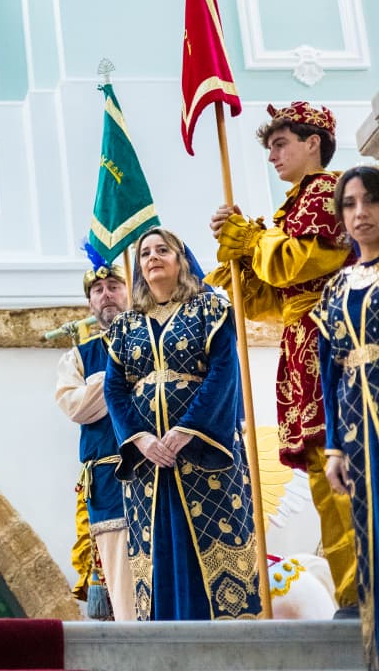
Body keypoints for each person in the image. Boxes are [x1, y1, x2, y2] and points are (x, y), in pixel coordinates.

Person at [207, 101, 356, 612]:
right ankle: (351, 598)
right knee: (323, 482)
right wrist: (241, 260)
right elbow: (273, 298)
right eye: (269, 146)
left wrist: (253, 241)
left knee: (345, 474)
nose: (272, 156)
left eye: (280, 143)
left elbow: (300, 261)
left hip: (331, 343)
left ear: (313, 143)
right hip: (300, 347)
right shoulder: (290, 209)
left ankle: (364, 596)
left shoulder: (326, 194)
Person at [104, 227, 261, 620]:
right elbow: (114, 389)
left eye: (163, 250)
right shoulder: (125, 327)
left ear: (182, 260)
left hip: (205, 456)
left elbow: (224, 372)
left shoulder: (211, 309)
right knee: (156, 553)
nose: (152, 257)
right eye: (145, 254)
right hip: (148, 465)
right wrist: (140, 439)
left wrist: (187, 429)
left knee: (207, 550)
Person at [316, 165, 379, 667]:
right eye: (350, 204)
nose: (361, 214)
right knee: (371, 542)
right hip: (359, 435)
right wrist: (334, 446)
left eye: (371, 202)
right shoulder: (336, 289)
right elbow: (329, 374)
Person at [53, 249, 133, 621]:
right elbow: (76, 408)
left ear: (130, 290)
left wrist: (99, 387)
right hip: (106, 480)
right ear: (89, 301)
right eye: (98, 289)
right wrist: (115, 378)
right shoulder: (79, 357)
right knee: (118, 582)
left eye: (114, 285)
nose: (106, 294)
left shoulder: (154, 341)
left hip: (158, 472)